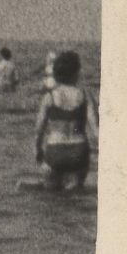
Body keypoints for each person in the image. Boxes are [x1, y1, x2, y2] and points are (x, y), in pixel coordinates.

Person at [33, 49, 97, 191]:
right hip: (79, 151)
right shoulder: (85, 95)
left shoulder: (49, 97)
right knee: (75, 195)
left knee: (51, 196)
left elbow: (39, 129)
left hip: (55, 149)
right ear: (76, 72)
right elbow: (96, 129)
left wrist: (37, 150)